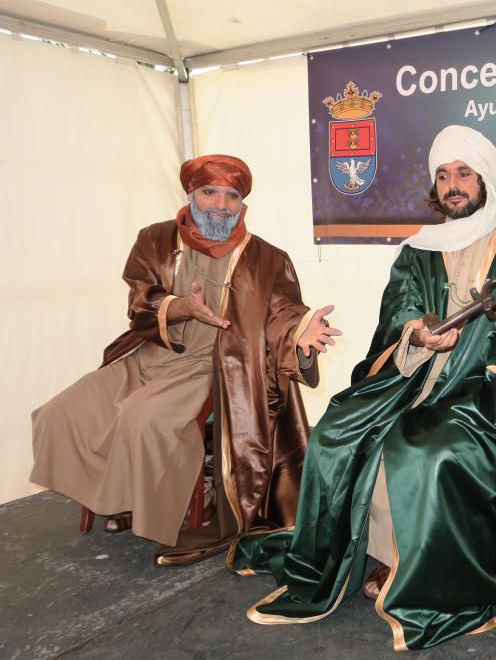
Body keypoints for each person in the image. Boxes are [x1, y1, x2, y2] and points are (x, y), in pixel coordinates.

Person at [229, 125, 496, 651]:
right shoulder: (415, 253)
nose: (453, 185)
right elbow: (395, 321)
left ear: (486, 182)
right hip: (411, 383)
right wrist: (417, 336)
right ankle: (371, 554)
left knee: (423, 450)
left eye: (463, 174)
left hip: (488, 399)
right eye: (443, 176)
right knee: (337, 432)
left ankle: (417, 569)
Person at [31, 154, 340, 565]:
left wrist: (301, 332)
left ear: (243, 204)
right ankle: (119, 497)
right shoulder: (155, 240)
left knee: (144, 418)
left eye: (231, 196)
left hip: (216, 365)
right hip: (153, 354)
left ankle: (160, 512)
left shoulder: (267, 258)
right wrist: (179, 307)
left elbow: (282, 314)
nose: (219, 204)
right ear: (191, 194)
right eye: (209, 192)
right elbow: (140, 300)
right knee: (62, 412)